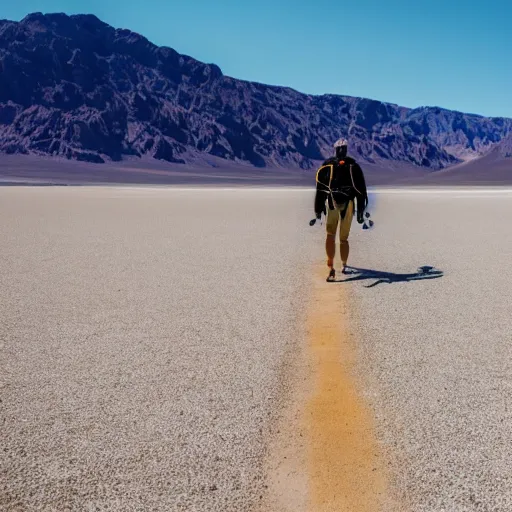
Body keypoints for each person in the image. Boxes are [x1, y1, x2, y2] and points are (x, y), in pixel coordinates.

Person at [314, 138, 368, 281]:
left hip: (331, 203)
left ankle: (331, 266)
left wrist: (318, 209)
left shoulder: (328, 165)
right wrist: (361, 212)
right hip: (349, 205)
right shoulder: (353, 166)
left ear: (335, 149)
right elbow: (361, 191)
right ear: (346, 149)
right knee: (343, 239)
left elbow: (320, 190)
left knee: (330, 235)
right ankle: (344, 265)